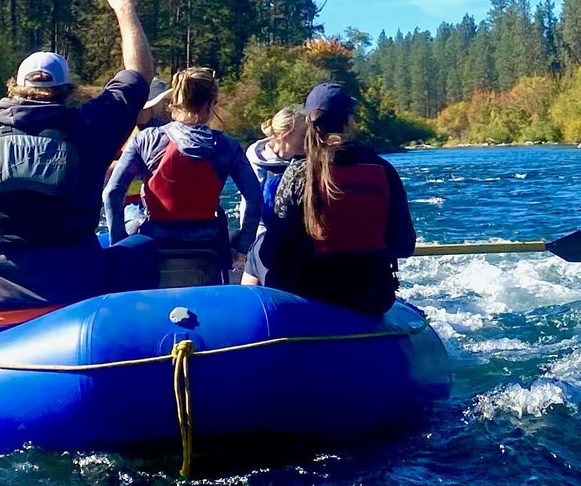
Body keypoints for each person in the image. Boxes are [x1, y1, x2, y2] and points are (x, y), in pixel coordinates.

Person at [0, 0, 154, 327]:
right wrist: (125, 9)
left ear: (13, 87)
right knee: (143, 247)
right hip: (72, 298)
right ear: (67, 90)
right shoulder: (90, 126)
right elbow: (139, 75)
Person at [99, 66, 269, 288]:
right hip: (209, 245)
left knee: (133, 218)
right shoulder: (227, 146)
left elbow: (112, 192)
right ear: (210, 104)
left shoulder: (146, 140)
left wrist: (119, 243)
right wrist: (242, 247)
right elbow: (255, 197)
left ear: (174, 102)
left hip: (155, 241)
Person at [258, 82, 416, 316]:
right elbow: (404, 244)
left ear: (309, 125)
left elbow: (273, 251)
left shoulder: (297, 173)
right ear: (350, 122)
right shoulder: (384, 170)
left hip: (309, 295)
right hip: (372, 297)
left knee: (257, 248)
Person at [239, 105, 308, 284]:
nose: (307, 142)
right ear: (286, 136)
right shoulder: (257, 160)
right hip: (268, 232)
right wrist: (250, 244)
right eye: (303, 137)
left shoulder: (308, 159)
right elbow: (251, 205)